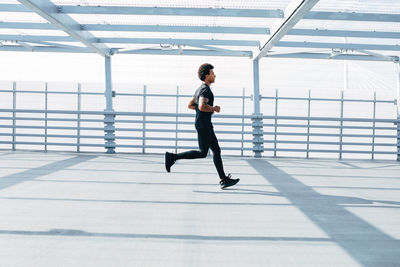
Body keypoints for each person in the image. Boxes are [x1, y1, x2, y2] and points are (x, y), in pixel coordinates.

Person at [165, 63, 239, 189]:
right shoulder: (205, 90)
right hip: (204, 125)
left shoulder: (199, 89)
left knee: (216, 150)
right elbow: (201, 106)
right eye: (212, 73)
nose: (214, 75)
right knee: (203, 152)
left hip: (203, 123)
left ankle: (223, 179)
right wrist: (213, 108)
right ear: (206, 75)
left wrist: (203, 111)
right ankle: (173, 157)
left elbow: (190, 105)